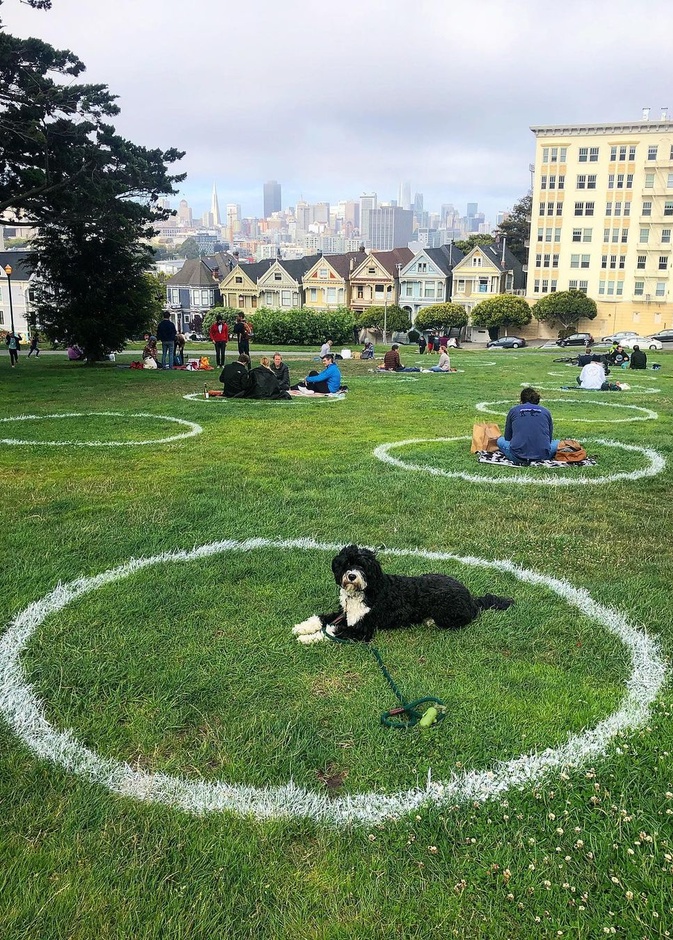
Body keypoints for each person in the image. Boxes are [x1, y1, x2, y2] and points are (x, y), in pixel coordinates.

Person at [496, 387, 559, 464]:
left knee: (500, 440)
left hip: (517, 456)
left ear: (521, 400)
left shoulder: (514, 410)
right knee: (557, 442)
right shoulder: (546, 411)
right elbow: (549, 439)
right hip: (543, 456)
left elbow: (507, 438)